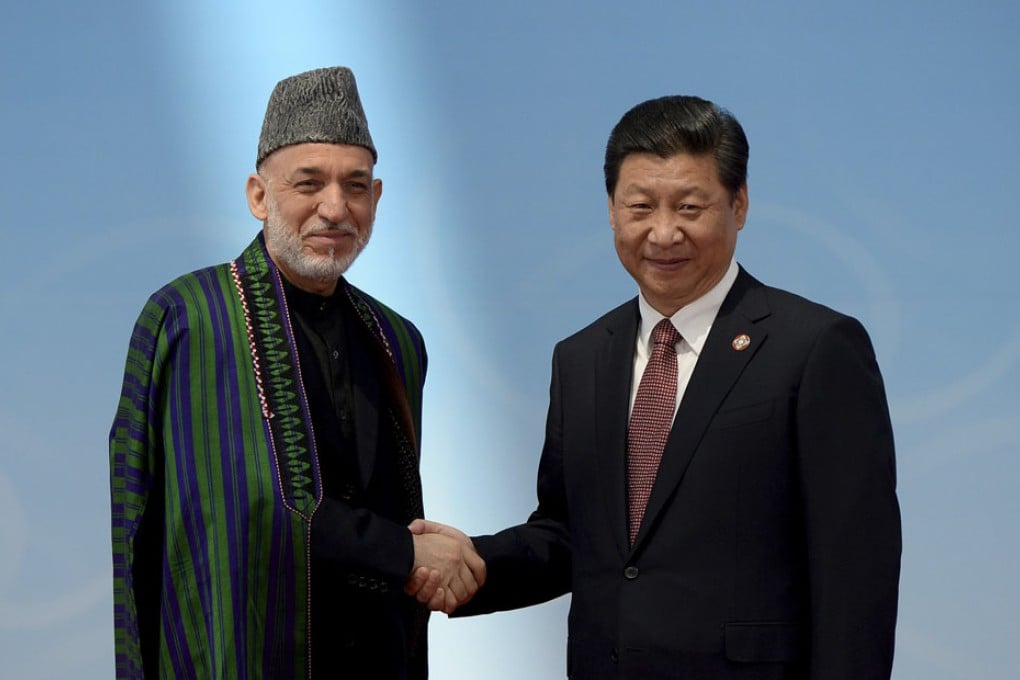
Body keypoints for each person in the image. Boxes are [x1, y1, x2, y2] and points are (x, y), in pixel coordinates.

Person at [411, 95, 901, 678]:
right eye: (640, 206)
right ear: (612, 210)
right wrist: (476, 564)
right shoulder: (581, 357)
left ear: (739, 205)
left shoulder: (816, 347)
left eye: (690, 207)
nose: (663, 233)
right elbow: (572, 537)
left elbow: (856, 568)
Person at [109, 66, 484, 679]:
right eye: (309, 183)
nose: (334, 208)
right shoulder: (192, 316)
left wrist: (437, 560)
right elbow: (245, 504)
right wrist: (407, 552)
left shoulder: (398, 340)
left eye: (355, 186)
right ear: (259, 195)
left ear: (377, 197)